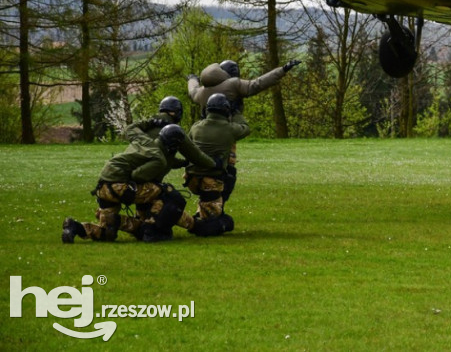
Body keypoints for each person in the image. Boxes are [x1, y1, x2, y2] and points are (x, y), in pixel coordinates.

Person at [62, 97, 216, 244]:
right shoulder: (162, 154)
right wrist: (214, 164)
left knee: (107, 233)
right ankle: (153, 227)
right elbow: (140, 174)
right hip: (121, 186)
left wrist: (180, 162)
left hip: (103, 186)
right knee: (166, 193)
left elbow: (131, 131)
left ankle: (76, 227)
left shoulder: (144, 137)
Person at [186, 58, 300, 203]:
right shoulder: (233, 84)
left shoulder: (202, 92)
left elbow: (192, 90)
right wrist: (282, 70)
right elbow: (257, 84)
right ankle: (214, 207)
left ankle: (207, 204)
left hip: (204, 133)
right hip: (228, 132)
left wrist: (192, 79)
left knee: (210, 170)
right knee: (227, 172)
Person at [184, 94, 249, 237]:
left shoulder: (196, 127)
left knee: (219, 216)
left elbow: (187, 145)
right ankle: (198, 223)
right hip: (212, 181)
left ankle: (204, 213)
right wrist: (236, 112)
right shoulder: (230, 129)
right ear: (225, 111)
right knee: (225, 223)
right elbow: (245, 128)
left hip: (191, 179)